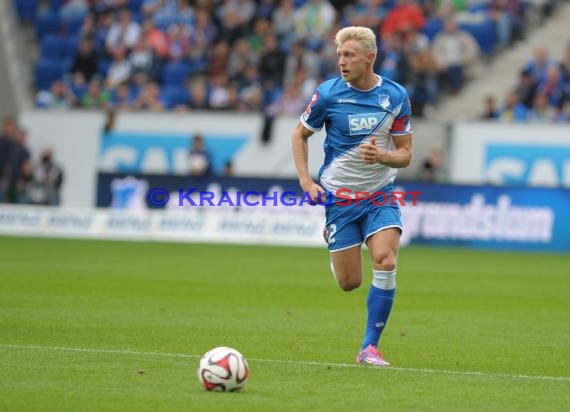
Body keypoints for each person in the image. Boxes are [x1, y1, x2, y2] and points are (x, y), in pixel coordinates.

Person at [291, 26, 413, 367]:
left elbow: (405, 154)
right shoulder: (328, 94)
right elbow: (299, 135)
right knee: (350, 283)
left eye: (349, 56)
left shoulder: (396, 95)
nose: (342, 62)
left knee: (386, 260)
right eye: (339, 56)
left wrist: (384, 157)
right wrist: (305, 182)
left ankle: (369, 348)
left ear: (369, 58)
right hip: (339, 199)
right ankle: (333, 237)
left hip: (380, 195)